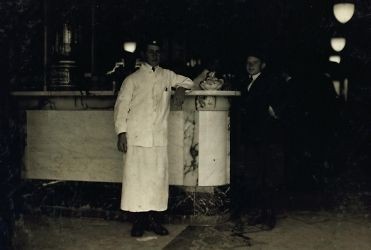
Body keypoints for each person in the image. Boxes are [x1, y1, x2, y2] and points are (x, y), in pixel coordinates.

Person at [113, 39, 194, 237]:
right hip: (136, 137)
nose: (155, 55)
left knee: (156, 180)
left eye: (158, 52)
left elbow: (188, 81)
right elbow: (121, 108)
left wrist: (181, 90)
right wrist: (121, 133)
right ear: (144, 54)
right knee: (137, 181)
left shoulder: (167, 75)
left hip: (158, 138)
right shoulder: (132, 79)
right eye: (151, 52)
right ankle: (138, 222)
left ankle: (154, 221)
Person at [232, 50, 284, 230]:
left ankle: (269, 216)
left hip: (268, 138)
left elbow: (276, 109)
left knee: (269, 177)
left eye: (254, 62)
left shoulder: (270, 82)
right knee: (254, 177)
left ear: (263, 65)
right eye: (248, 62)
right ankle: (260, 213)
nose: (250, 65)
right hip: (251, 138)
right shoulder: (245, 82)